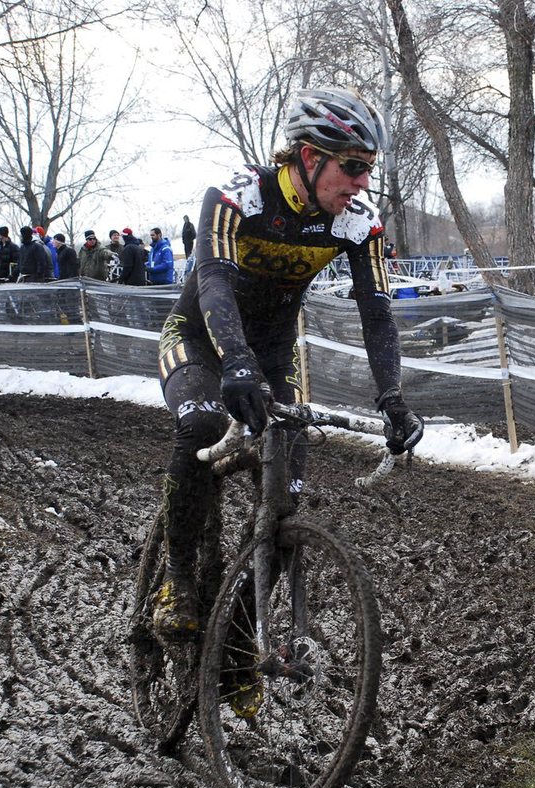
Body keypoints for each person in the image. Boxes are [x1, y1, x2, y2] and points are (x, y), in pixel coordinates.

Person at [150, 87, 423, 636]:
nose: (362, 182)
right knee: (201, 424)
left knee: (286, 495)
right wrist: (236, 362)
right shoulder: (238, 197)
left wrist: (392, 396)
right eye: (351, 167)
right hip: (202, 339)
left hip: (274, 355)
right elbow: (214, 282)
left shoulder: (357, 221)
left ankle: (240, 641)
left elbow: (377, 312)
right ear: (308, 157)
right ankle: (175, 581)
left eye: (368, 169)